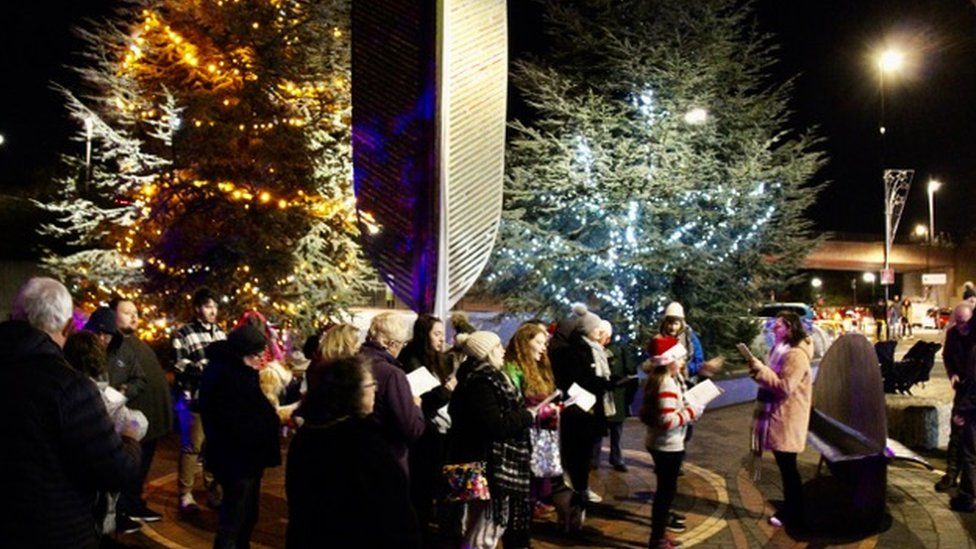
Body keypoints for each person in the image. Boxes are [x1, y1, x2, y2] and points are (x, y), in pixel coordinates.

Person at [0, 277, 142, 547]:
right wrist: (130, 438)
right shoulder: (70, 387)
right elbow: (116, 470)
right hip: (57, 532)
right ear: (67, 327)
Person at [286, 357, 420, 548]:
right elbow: (394, 513)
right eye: (369, 384)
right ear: (351, 392)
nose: (375, 389)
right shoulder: (364, 444)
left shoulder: (309, 433)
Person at [448, 331, 534, 548]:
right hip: (487, 465)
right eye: (497, 347)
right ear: (486, 353)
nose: (503, 350)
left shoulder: (476, 377)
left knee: (481, 525)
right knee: (485, 530)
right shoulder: (482, 381)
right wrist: (526, 416)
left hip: (483, 461)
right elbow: (495, 425)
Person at [199, 324, 282, 549]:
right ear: (241, 353)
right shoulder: (228, 377)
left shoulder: (240, 372)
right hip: (236, 459)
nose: (260, 360)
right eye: (256, 355)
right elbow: (236, 422)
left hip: (246, 459)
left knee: (246, 515)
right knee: (234, 520)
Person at [64, 330, 150, 536]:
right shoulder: (101, 397)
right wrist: (130, 435)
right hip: (91, 497)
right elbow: (139, 423)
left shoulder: (61, 387)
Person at [550, 304, 617, 527]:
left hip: (588, 412)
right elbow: (580, 380)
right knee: (577, 459)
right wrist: (606, 383)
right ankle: (575, 506)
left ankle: (577, 500)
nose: (600, 333)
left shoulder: (590, 349)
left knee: (582, 459)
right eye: (596, 329)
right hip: (578, 413)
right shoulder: (575, 351)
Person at [748, 311, 813, 530]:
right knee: (787, 469)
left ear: (790, 328)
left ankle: (796, 514)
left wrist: (762, 371)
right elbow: (774, 380)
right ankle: (794, 511)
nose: (773, 329)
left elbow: (785, 387)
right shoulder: (780, 350)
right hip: (781, 417)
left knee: (789, 470)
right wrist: (759, 372)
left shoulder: (795, 355)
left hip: (788, 419)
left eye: (778, 326)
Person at [397, 314, 456, 542]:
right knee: (421, 488)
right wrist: (448, 388)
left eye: (443, 333)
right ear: (424, 335)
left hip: (442, 431)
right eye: (437, 334)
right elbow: (426, 400)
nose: (442, 339)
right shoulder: (412, 360)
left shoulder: (440, 359)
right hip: (424, 435)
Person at [640, 336, 703, 549]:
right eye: (680, 358)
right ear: (669, 360)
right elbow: (667, 420)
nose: (684, 362)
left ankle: (659, 534)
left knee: (666, 492)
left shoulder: (668, 378)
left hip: (663, 443)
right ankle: (657, 539)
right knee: (665, 494)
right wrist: (693, 411)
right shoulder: (665, 382)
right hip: (666, 444)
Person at [172, 287, 227, 515]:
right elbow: (179, 365)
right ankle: (185, 494)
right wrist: (205, 368)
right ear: (197, 309)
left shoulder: (221, 334)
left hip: (218, 401)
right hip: (194, 399)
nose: (212, 311)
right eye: (207, 306)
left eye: (214, 306)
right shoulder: (183, 333)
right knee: (192, 446)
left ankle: (213, 489)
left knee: (215, 446)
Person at [504, 322, 561, 530]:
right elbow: (515, 403)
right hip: (523, 435)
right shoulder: (513, 368)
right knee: (523, 491)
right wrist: (540, 410)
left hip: (539, 433)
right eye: (539, 342)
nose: (544, 347)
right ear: (525, 343)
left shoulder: (536, 366)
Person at [358, 312, 425, 474]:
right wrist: (416, 407)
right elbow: (411, 428)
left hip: (356, 456)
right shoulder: (392, 374)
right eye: (402, 344)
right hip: (386, 462)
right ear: (391, 344)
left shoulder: (352, 363)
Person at [937, 301, 974, 492]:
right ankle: (951, 474)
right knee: (957, 432)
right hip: (962, 388)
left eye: (965, 322)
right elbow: (947, 356)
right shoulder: (953, 335)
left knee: (969, 438)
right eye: (958, 322)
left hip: (972, 391)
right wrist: (952, 374)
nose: (962, 327)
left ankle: (968, 484)